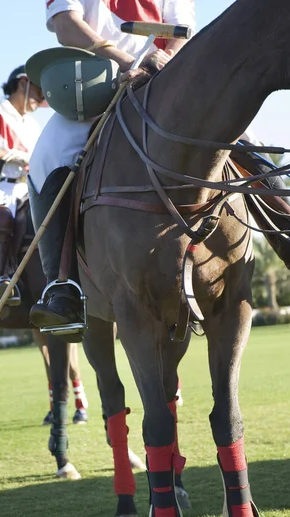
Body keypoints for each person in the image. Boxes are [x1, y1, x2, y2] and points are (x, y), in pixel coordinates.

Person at [28, 0, 196, 338]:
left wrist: (162, 61)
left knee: (238, 133)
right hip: (96, 87)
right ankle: (63, 287)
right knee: (48, 156)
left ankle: (289, 237)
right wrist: (127, 60)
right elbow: (66, 24)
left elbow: (183, 31)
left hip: (168, 82)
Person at [0, 66, 45, 307]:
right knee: (2, 217)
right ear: (23, 82)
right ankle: (0, 282)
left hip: (26, 187)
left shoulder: (33, 125)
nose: (41, 99)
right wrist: (17, 156)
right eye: (38, 91)